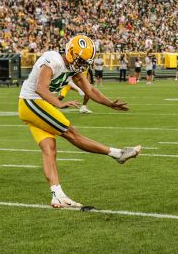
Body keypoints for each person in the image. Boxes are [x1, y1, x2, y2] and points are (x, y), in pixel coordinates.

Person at [17, 35, 141, 209]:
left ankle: (57, 195)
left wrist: (110, 104)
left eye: (85, 62)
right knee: (71, 133)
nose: (82, 65)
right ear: (71, 52)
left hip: (35, 105)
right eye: (80, 61)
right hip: (31, 102)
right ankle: (117, 154)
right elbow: (40, 88)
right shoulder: (53, 59)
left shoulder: (73, 69)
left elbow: (89, 89)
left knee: (49, 149)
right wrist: (59, 103)